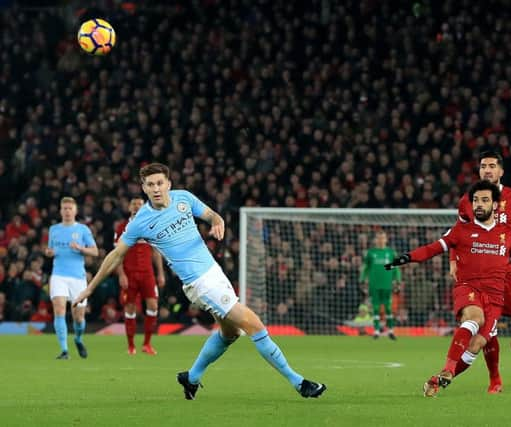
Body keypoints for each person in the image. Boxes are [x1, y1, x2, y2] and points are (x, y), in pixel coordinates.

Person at [74, 163, 326, 400]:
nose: (156, 188)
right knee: (255, 325)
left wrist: (218, 222)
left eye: (160, 183)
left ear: (169, 184)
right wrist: (90, 287)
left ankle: (191, 377)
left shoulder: (184, 198)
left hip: (214, 273)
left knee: (230, 333)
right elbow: (115, 254)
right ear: (143, 188)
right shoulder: (140, 221)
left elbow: (212, 215)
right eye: (150, 185)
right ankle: (299, 383)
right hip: (199, 283)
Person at [385, 180, 511, 397]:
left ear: (495, 205)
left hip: (495, 298)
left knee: (476, 346)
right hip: (468, 287)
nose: (479, 204)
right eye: (476, 200)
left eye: (485, 200)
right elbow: (433, 248)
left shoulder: (509, 234)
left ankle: (439, 379)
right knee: (474, 318)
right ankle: (448, 367)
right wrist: (408, 257)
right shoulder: (461, 230)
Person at [449, 151, 511, 393]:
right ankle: (495, 379)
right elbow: (456, 236)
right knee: (486, 329)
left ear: (501, 171)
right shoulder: (468, 200)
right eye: (483, 166)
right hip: (480, 273)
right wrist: (453, 260)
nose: (487, 170)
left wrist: (504, 244)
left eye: (492, 166)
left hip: (509, 271)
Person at [44, 197, 99, 359]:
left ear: (75, 211)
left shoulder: (83, 230)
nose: (67, 211)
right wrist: (49, 253)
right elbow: (50, 249)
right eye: (64, 208)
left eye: (70, 208)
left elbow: (95, 252)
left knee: (79, 317)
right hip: (58, 275)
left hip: (77, 277)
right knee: (59, 309)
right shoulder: (54, 229)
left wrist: (81, 248)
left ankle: (78, 338)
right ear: (60, 211)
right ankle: (64, 350)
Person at [114, 196, 166, 355]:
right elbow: (117, 254)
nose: (136, 207)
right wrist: (121, 274)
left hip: (147, 274)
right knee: (130, 308)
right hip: (129, 274)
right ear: (129, 207)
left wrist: (160, 273)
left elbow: (156, 252)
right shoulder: (122, 227)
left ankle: (147, 344)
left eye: (139, 204)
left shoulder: (151, 225)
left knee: (153, 306)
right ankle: (131, 346)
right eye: (134, 204)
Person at [360, 230, 401, 339]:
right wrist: (362, 279)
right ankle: (377, 331)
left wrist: (398, 280)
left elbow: (396, 268)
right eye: (378, 238)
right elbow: (366, 267)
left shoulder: (391, 253)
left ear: (386, 239)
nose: (381, 240)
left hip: (387, 284)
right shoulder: (371, 253)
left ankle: (391, 330)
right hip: (374, 284)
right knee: (376, 307)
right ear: (375, 240)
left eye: (382, 238)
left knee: (388, 307)